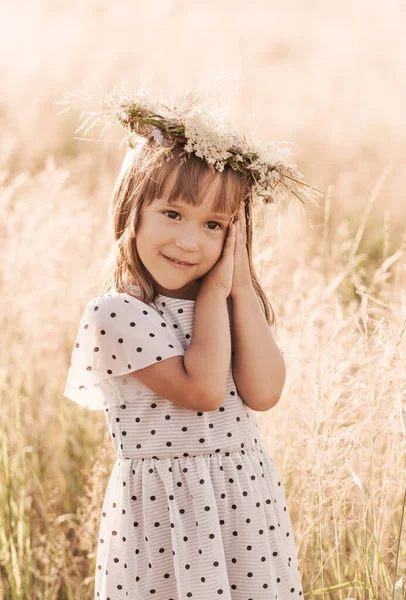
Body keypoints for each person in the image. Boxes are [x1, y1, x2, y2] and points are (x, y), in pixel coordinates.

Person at [63, 83, 312, 599]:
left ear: (235, 235)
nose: (187, 240)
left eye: (214, 225)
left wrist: (239, 287)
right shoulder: (117, 313)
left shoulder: (226, 306)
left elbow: (264, 393)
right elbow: (202, 392)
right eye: (172, 214)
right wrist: (217, 291)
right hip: (165, 517)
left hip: (243, 508)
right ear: (132, 210)